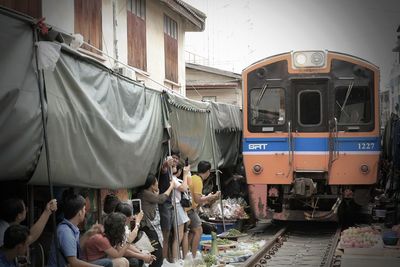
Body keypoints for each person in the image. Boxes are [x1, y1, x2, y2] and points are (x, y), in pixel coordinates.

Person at [47, 192, 104, 267]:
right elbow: (73, 263)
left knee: (110, 262)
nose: (85, 212)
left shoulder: (70, 228)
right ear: (80, 213)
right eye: (84, 209)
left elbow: (74, 248)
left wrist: (89, 233)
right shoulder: (65, 232)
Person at [137, 173, 174, 267]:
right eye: (156, 182)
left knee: (157, 251)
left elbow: (156, 199)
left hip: (151, 226)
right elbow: (161, 199)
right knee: (157, 252)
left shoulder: (148, 193)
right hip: (148, 226)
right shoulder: (145, 193)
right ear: (152, 185)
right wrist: (171, 187)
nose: (158, 184)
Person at [188, 161, 220, 257]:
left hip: (188, 208)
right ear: (207, 171)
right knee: (199, 230)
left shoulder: (193, 177)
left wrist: (207, 198)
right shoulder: (198, 180)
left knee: (191, 231)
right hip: (189, 209)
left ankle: (187, 253)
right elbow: (198, 199)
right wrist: (212, 197)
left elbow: (196, 198)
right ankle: (193, 255)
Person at [114, 202, 156, 266]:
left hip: (120, 253)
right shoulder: (115, 228)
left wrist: (142, 254)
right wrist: (137, 223)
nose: (132, 217)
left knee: (140, 257)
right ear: (124, 217)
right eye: (130, 215)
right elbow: (122, 250)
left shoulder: (123, 226)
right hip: (114, 257)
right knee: (134, 261)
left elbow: (127, 245)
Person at [157, 150, 180, 261]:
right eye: (173, 158)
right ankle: (164, 260)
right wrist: (167, 163)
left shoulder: (172, 171)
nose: (175, 160)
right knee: (165, 235)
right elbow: (164, 167)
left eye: (177, 158)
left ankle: (167, 259)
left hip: (170, 204)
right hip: (164, 205)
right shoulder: (165, 169)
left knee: (169, 234)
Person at [170, 163, 190, 261]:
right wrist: (185, 174)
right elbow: (184, 188)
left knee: (179, 235)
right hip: (176, 206)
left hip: (179, 207)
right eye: (173, 166)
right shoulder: (172, 178)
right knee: (178, 236)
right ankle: (175, 260)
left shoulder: (175, 178)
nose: (174, 167)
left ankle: (177, 259)